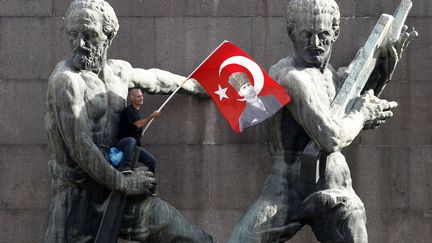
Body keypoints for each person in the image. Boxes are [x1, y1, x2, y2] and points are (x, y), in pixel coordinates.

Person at [228, 0, 417, 242]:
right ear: (291, 33)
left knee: (352, 216)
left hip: (334, 186)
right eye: (307, 35)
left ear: (335, 33)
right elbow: (331, 136)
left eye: (323, 35)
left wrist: (383, 66)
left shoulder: (329, 76)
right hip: (286, 192)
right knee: (241, 239)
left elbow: (350, 101)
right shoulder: (289, 77)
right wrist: (362, 115)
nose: (315, 43)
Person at [45, 0, 212, 242]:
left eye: (89, 34)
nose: (79, 44)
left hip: (120, 193)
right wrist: (125, 184)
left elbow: (156, 80)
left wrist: (195, 86)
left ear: (108, 36)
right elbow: (81, 148)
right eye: (73, 34)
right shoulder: (66, 81)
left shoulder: (119, 72)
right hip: (79, 203)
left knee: (197, 239)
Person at [115, 88, 160, 174]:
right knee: (131, 140)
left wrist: (139, 134)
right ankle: (125, 166)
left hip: (135, 147)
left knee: (152, 162)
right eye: (138, 96)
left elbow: (133, 128)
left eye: (142, 96)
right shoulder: (128, 110)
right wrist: (151, 116)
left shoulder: (137, 113)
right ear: (132, 98)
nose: (141, 98)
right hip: (123, 144)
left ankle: (149, 178)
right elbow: (137, 124)